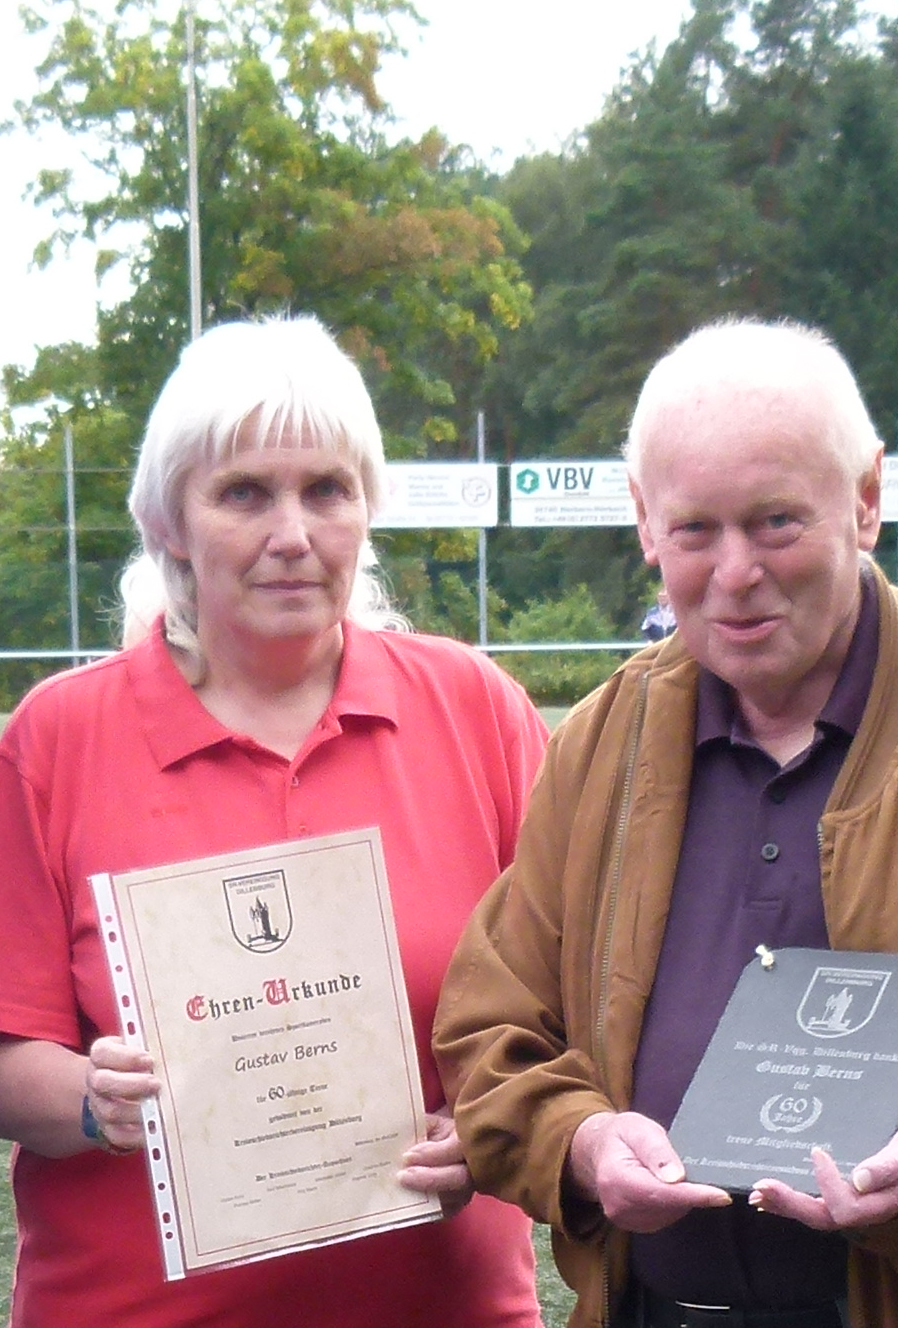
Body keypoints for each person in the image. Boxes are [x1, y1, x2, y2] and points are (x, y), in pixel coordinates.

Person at [433, 317, 898, 1328]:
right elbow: (495, 1021)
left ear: (866, 500)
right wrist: (576, 1140)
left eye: (777, 522)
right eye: (696, 529)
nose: (737, 571)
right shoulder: (605, 742)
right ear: (644, 522)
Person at [0, 315, 550, 1327]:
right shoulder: (56, 742)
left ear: (366, 509)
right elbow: (6, 1053)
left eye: (326, 490)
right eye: (244, 492)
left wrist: (503, 1124)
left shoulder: (475, 710)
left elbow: (577, 1004)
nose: (292, 534)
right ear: (169, 519)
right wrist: (92, 1095)